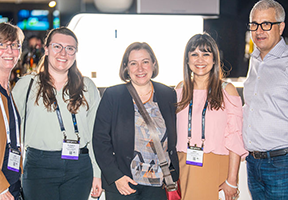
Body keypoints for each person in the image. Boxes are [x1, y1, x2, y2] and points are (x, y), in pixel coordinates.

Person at [12, 27, 102, 200]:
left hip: (79, 166)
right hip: (38, 166)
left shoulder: (87, 86)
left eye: (70, 48)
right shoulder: (27, 84)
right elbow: (11, 132)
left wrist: (97, 173)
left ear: (75, 53)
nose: (63, 53)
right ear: (46, 49)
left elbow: (95, 134)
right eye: (57, 46)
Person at [93, 42, 179, 200]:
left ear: (153, 63)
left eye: (145, 62)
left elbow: (173, 138)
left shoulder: (168, 94)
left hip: (159, 185)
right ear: (126, 67)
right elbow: (100, 140)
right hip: (124, 184)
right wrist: (116, 176)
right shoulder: (113, 96)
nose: (140, 68)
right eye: (134, 63)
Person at [175, 33, 248, 200]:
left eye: (206, 54)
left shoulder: (227, 90)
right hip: (184, 163)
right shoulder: (180, 89)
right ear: (187, 60)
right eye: (194, 54)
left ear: (214, 59)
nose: (200, 60)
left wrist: (232, 179)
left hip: (214, 162)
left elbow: (235, 136)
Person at [243, 0, 288, 199]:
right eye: (254, 24)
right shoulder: (254, 60)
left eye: (266, 24)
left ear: (281, 27)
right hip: (253, 163)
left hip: (281, 163)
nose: (259, 30)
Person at [0, 22, 24, 199]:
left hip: (11, 183)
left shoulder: (7, 89)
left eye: (14, 45)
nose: (9, 51)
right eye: (1, 44)